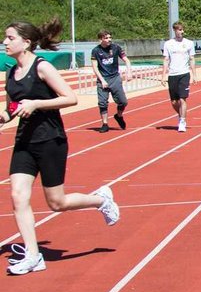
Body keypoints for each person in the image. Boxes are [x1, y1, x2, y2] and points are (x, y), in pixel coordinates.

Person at [2, 19, 120, 276]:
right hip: (24, 142)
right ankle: (34, 255)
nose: (5, 42)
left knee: (57, 202)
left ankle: (101, 200)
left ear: (26, 42)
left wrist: (35, 104)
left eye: (10, 38)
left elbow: (70, 97)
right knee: (17, 196)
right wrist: (6, 115)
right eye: (5, 38)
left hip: (50, 140)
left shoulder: (42, 68)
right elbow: (12, 106)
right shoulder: (11, 73)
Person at [90, 30, 130, 133]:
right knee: (102, 103)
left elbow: (126, 60)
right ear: (101, 39)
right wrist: (102, 80)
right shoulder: (95, 51)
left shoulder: (115, 47)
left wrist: (129, 72)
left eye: (110, 37)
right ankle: (105, 123)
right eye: (106, 38)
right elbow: (95, 67)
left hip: (114, 78)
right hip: (102, 78)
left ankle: (119, 115)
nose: (109, 40)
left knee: (123, 102)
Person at [161, 21, 196, 132]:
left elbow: (192, 59)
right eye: (179, 30)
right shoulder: (168, 44)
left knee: (182, 99)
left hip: (184, 74)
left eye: (182, 30)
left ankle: (182, 121)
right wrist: (163, 76)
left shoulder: (189, 43)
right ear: (175, 30)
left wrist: (194, 75)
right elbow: (166, 60)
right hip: (172, 74)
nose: (182, 32)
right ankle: (181, 115)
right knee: (174, 102)